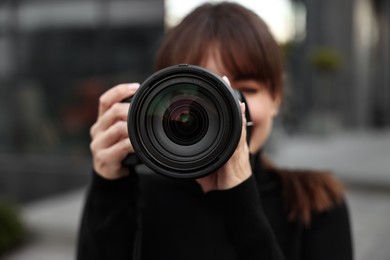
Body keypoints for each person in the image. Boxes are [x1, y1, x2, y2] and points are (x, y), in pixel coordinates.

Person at [77, 2, 353, 260]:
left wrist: (240, 201)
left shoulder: (316, 203)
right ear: (156, 99)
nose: (230, 109)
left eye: (245, 89)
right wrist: (108, 188)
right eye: (200, 90)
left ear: (276, 98)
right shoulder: (139, 197)